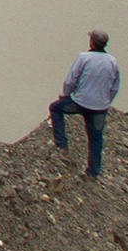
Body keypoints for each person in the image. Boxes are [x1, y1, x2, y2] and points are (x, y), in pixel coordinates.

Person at [50, 29, 119, 178]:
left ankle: (61, 143)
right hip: (100, 106)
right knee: (96, 137)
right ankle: (93, 172)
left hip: (80, 102)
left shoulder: (84, 57)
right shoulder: (112, 61)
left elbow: (71, 80)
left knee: (55, 108)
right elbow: (114, 87)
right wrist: (106, 101)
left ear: (92, 42)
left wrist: (65, 95)